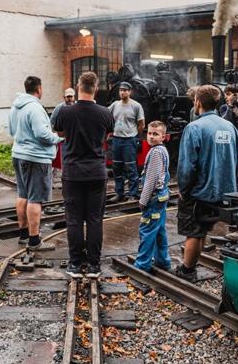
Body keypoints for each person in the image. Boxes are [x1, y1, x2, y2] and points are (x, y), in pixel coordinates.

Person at [175, 84, 238, 281]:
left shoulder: (194, 127)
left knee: (194, 232)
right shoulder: (230, 127)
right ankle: (192, 263)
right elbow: (236, 161)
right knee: (203, 230)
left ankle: (187, 270)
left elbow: (187, 166)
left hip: (199, 193)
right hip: (225, 192)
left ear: (197, 102)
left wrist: (183, 190)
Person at [54, 72, 114, 278]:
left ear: (78, 86)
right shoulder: (105, 113)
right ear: (96, 88)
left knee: (74, 219)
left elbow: (60, 133)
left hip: (72, 172)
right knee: (95, 219)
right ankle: (94, 266)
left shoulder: (65, 112)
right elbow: (107, 135)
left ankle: (75, 264)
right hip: (97, 172)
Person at [9, 76, 64, 251]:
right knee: (35, 199)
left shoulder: (15, 106)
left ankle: (23, 235)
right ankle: (34, 241)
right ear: (39, 88)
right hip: (35, 158)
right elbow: (42, 134)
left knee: (23, 194)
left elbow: (11, 130)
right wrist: (58, 138)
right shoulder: (35, 108)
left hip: (18, 155)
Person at [134, 120, 173, 273]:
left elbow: (151, 179)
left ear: (164, 136)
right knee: (159, 229)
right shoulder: (162, 150)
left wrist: (143, 200)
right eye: (149, 133)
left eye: (155, 134)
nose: (151, 137)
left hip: (154, 198)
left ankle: (142, 264)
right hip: (162, 196)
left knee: (147, 229)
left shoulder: (156, 152)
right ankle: (163, 260)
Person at [107, 82, 145, 202]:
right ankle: (119, 193)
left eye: (125, 90)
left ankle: (133, 194)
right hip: (116, 139)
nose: (122, 92)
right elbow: (107, 117)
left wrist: (136, 137)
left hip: (129, 140)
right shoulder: (115, 105)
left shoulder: (136, 106)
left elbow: (141, 124)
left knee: (131, 168)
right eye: (120, 90)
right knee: (117, 167)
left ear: (130, 92)